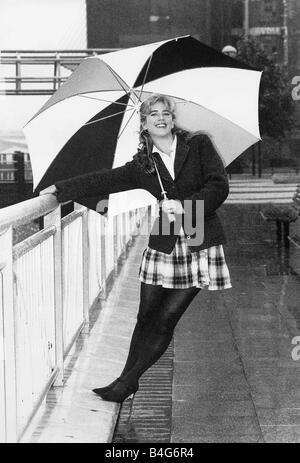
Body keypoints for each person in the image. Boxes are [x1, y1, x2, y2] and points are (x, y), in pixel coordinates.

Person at [39, 94, 232, 406]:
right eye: (152, 114)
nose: (160, 118)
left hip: (199, 239)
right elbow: (106, 179)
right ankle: (124, 380)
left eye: (165, 113)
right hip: (165, 242)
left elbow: (219, 186)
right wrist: (61, 189)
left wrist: (182, 206)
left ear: (172, 118)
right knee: (146, 315)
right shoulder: (144, 165)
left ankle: (127, 382)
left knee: (167, 318)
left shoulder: (198, 145)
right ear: (143, 123)